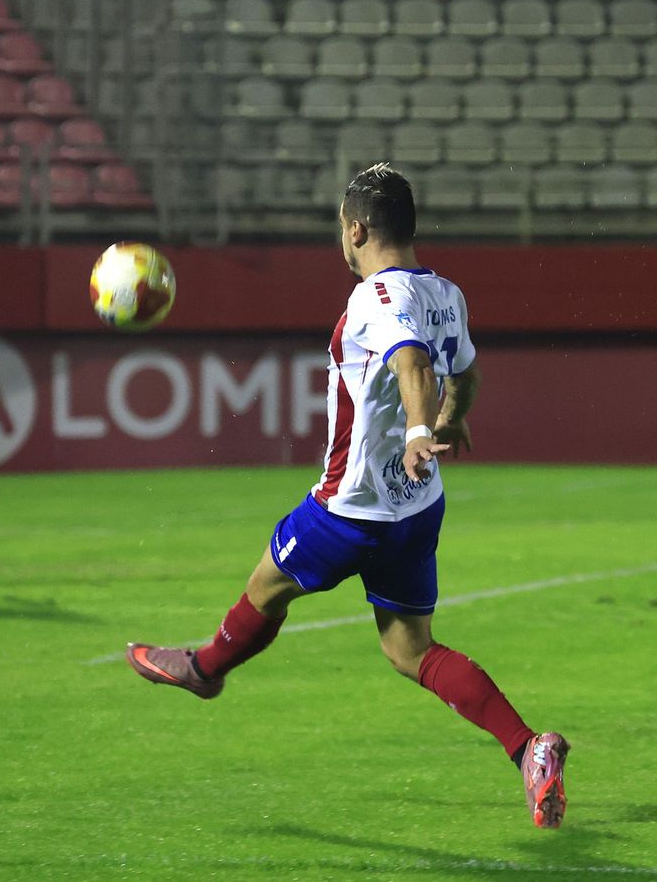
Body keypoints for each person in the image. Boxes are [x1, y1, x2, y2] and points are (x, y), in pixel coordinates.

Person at [125, 164, 570, 828]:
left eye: (341, 227)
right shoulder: (445, 291)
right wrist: (449, 420)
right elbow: (465, 373)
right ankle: (527, 746)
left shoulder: (375, 296)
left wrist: (422, 426)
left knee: (265, 587)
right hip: (416, 508)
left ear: (355, 228)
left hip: (349, 507)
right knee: (410, 650)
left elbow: (413, 363)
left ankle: (205, 667)